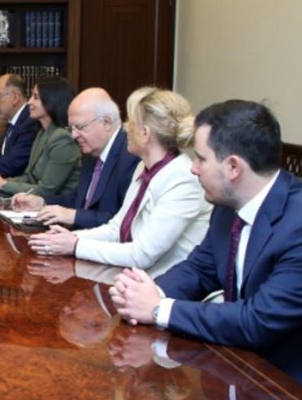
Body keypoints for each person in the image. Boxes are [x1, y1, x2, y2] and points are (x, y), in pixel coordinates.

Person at [110, 100, 302, 400]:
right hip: (249, 378)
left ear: (233, 167)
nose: (193, 168)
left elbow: (259, 320)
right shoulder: (228, 206)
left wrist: (158, 309)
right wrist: (142, 292)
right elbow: (200, 269)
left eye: (201, 159)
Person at [29, 87, 211, 279]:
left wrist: (75, 245)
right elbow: (117, 228)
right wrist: (67, 238)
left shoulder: (182, 179)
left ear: (145, 134)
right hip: (131, 278)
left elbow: (142, 254)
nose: (124, 127)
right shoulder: (143, 167)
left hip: (161, 285)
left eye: (130, 122)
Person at [11, 87, 140, 229]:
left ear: (106, 122)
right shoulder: (92, 152)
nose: (73, 135)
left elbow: (124, 222)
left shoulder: (131, 156)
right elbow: (78, 199)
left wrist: (73, 216)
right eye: (71, 128)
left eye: (80, 127)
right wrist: (42, 203)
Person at [0, 76, 80, 197]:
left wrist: (3, 184)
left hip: (58, 206)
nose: (29, 102)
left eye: (35, 97)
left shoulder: (63, 139)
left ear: (51, 101)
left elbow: (45, 191)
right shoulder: (42, 133)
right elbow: (29, 178)